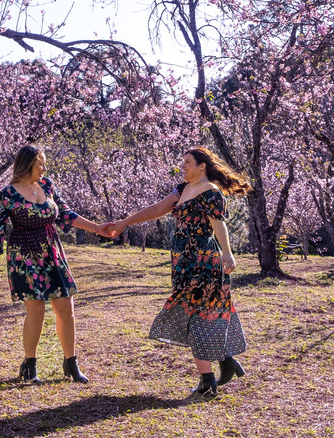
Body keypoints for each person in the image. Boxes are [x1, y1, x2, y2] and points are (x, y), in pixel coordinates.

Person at [106, 146, 251, 397]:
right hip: (183, 261)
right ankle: (226, 361)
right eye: (182, 162)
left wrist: (227, 253)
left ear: (201, 166)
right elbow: (155, 209)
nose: (182, 166)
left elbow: (219, 224)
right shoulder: (182, 189)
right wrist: (124, 223)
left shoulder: (211, 192)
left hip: (203, 260)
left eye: (187, 162)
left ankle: (208, 380)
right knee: (202, 312)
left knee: (194, 314)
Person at [0, 145, 112, 383]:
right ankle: (30, 365)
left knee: (65, 307)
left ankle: (71, 364)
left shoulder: (47, 186)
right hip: (24, 255)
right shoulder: (8, 194)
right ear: (28, 163)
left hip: (52, 251)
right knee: (36, 310)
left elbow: (66, 214)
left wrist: (97, 228)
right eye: (40, 163)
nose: (44, 168)